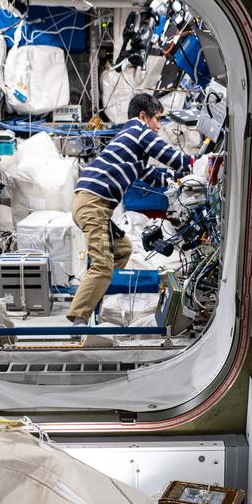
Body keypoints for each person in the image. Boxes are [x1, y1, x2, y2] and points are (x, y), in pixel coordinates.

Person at [66, 92, 192, 327]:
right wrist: (202, 164)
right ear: (143, 116)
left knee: (123, 249)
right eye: (157, 120)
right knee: (103, 265)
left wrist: (179, 179)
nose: (158, 127)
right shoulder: (137, 131)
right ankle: (78, 319)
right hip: (92, 204)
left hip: (94, 205)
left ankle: (98, 294)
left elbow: (154, 177)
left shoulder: (132, 146)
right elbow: (171, 157)